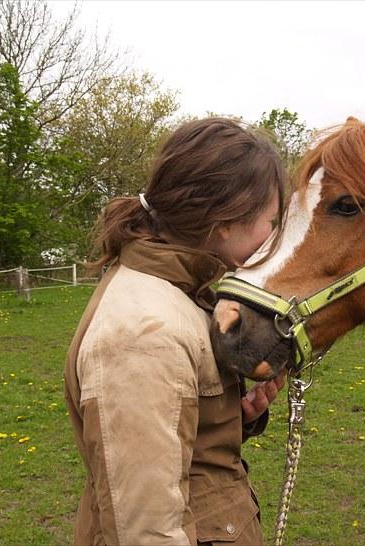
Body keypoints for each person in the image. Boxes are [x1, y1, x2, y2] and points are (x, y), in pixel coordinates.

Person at [64, 117, 288, 546]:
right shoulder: (145, 334)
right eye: (271, 221)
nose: (272, 238)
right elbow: (144, 530)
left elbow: (179, 449)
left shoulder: (179, 297)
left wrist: (233, 416)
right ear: (227, 221)